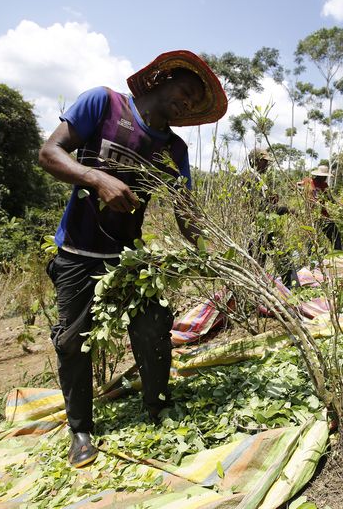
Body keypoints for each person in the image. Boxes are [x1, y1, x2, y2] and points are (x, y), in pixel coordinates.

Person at [38, 50, 227, 468]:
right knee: (73, 341)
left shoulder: (173, 149)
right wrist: (96, 177)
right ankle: (81, 430)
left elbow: (185, 209)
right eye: (186, 91)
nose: (188, 103)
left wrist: (208, 253)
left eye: (196, 102)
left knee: (154, 325)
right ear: (159, 80)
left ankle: (158, 408)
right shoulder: (104, 104)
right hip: (78, 253)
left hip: (128, 258)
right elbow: (49, 153)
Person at [246, 148, 299, 288]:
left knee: (259, 268)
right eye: (264, 162)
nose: (267, 165)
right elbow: (260, 208)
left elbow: (260, 203)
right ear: (255, 161)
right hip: (258, 230)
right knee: (283, 262)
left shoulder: (257, 179)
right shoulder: (250, 179)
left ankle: (289, 292)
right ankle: (293, 292)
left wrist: (270, 200)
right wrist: (286, 209)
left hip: (261, 229)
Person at [300, 164, 343, 251]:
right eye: (323, 177)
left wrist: (339, 204)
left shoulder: (324, 185)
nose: (325, 178)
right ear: (318, 175)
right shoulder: (308, 182)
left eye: (325, 177)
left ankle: (338, 254)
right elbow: (298, 186)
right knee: (311, 239)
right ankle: (310, 259)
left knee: (335, 234)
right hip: (312, 216)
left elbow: (330, 198)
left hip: (323, 215)